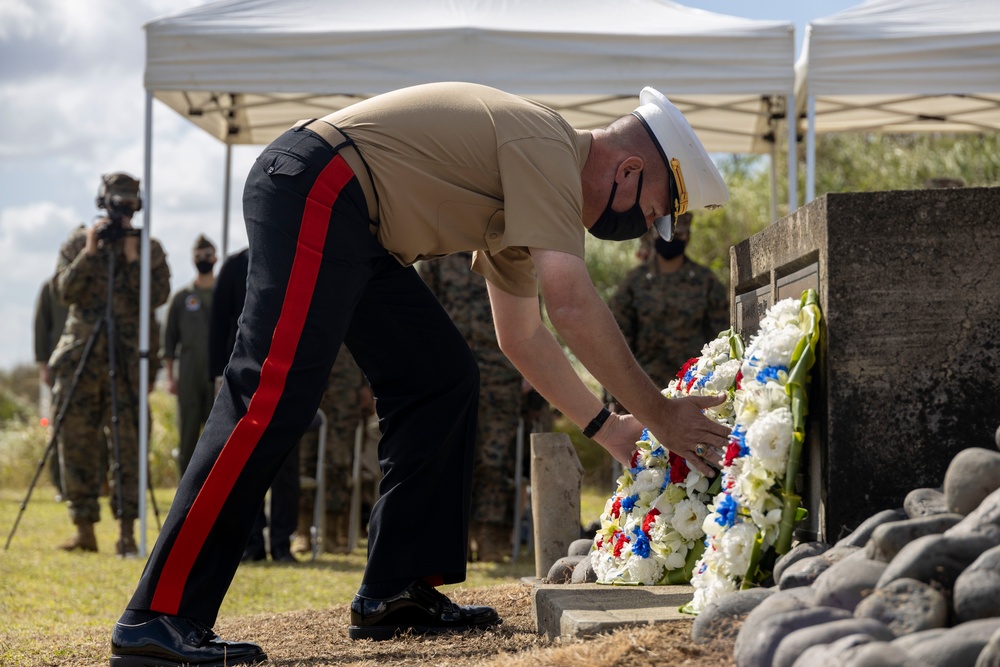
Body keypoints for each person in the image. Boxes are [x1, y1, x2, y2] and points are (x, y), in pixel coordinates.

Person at [110, 83, 731, 664]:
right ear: (628, 170)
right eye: (654, 212)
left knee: (440, 376)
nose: (648, 230)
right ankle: (158, 614)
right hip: (319, 184)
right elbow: (570, 304)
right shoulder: (548, 148)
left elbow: (522, 337)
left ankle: (396, 588)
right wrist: (662, 414)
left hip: (359, 221)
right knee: (271, 392)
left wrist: (608, 427)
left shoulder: (535, 191)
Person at [50, 172, 170, 556]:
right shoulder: (79, 242)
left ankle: (127, 531)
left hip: (128, 360)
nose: (122, 212)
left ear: (137, 206)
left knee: (128, 445)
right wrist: (90, 252)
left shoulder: (150, 249)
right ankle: (83, 528)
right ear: (104, 202)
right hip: (81, 360)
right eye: (116, 202)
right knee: (78, 442)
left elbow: (155, 298)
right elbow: (64, 292)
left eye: (128, 203)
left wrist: (134, 261)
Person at [418, 252, 529, 562]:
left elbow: (530, 312)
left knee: (494, 458)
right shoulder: (436, 256)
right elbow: (418, 312)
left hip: (500, 374)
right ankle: (455, 537)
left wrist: (530, 371)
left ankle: (490, 534)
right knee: (452, 456)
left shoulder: (508, 252)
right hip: (449, 373)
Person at [207, 247, 301, 563]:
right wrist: (217, 376)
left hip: (289, 375)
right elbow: (218, 324)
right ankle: (251, 544)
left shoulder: (299, 258)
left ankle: (282, 544)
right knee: (246, 463)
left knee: (286, 468)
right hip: (245, 377)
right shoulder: (235, 266)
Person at [608, 212, 729, 398]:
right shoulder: (634, 283)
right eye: (666, 235)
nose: (671, 240)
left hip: (693, 388)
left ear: (687, 237)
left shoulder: (706, 282)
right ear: (653, 236)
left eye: (678, 235)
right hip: (644, 391)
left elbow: (721, 337)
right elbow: (618, 337)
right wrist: (613, 393)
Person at [291, 342, 374, 556]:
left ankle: (331, 532)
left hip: (346, 389)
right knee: (305, 460)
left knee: (339, 461)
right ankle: (303, 531)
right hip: (310, 384)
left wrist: (366, 385)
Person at [160, 235, 217, 477]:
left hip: (218, 374)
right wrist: (171, 377)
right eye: (198, 256)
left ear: (215, 257)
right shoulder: (182, 298)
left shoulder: (224, 293)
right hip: (189, 374)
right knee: (188, 436)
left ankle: (214, 486)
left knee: (217, 435)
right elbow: (169, 341)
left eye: (207, 255)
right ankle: (186, 488)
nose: (203, 260)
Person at [34, 272, 69, 495]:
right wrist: (43, 365)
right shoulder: (50, 287)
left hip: (93, 367)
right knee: (58, 425)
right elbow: (40, 327)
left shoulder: (95, 281)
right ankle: (61, 484)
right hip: (59, 369)